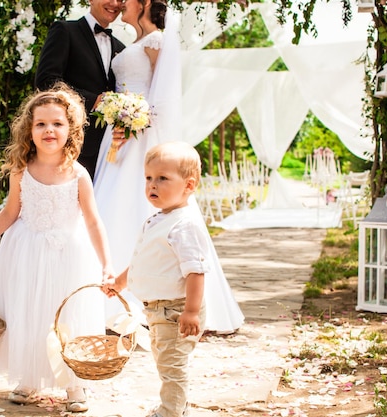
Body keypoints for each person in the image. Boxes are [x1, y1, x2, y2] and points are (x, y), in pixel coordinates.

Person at [93, 0, 244, 334]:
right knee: (110, 208)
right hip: (120, 138)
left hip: (142, 138)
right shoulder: (128, 43)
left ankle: (150, 298)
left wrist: (136, 118)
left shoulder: (157, 41)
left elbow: (163, 100)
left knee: (140, 202)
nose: (120, 3)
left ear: (144, 2)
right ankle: (106, 292)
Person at [0, 83, 113, 413]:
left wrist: (107, 264)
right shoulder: (22, 171)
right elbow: (9, 212)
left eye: (58, 123)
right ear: (29, 130)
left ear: (71, 129)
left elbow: (93, 221)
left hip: (69, 256)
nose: (49, 130)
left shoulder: (78, 174)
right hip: (27, 253)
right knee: (27, 314)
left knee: (69, 318)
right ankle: (29, 378)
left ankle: (75, 384)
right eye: (41, 124)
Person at [103, 142, 209, 417]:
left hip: (177, 310)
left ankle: (171, 412)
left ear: (188, 185)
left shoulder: (185, 224)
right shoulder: (159, 219)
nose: (153, 185)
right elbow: (142, 260)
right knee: (166, 360)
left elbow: (196, 271)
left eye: (163, 178)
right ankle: (177, 406)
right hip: (158, 309)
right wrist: (120, 283)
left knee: (172, 364)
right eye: (149, 178)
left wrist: (192, 311)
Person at [35, 0, 126, 178]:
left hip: (109, 148)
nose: (114, 4)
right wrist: (93, 101)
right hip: (71, 143)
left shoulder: (121, 48)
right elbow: (47, 80)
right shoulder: (65, 31)